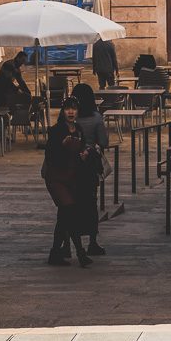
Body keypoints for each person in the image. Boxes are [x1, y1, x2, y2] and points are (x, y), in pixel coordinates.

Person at [42, 97, 95, 268]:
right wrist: (62, 146)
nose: (71, 112)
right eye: (67, 109)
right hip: (57, 177)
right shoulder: (56, 130)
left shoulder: (78, 129)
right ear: (63, 111)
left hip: (72, 177)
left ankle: (55, 253)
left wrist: (85, 153)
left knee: (64, 216)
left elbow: (82, 148)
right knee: (68, 209)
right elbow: (50, 155)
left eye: (73, 109)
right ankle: (80, 252)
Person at [70, 84, 109, 256]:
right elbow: (104, 142)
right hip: (89, 167)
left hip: (70, 165)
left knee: (69, 206)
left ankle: (66, 244)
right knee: (91, 204)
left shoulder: (69, 119)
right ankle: (92, 241)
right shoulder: (96, 118)